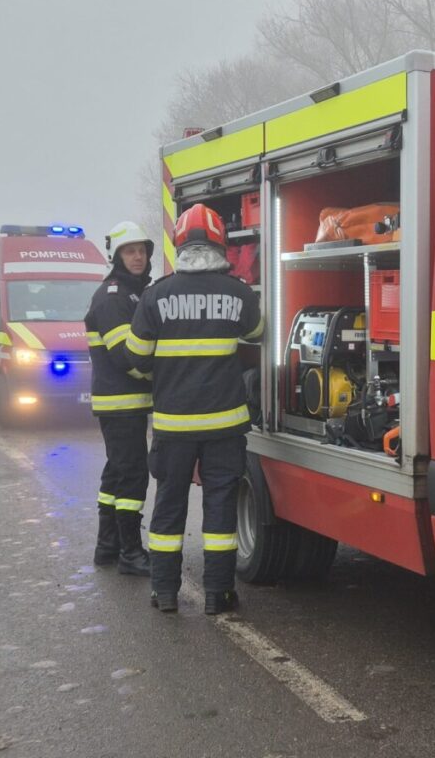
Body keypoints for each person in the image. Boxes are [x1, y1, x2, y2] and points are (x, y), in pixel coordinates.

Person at [126, 203, 262, 615]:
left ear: (179, 244)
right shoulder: (238, 292)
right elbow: (258, 333)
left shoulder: (155, 295)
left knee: (169, 505)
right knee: (220, 507)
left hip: (173, 426)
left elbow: (136, 357)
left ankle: (165, 592)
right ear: (221, 243)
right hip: (225, 426)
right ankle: (218, 594)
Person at [83, 222, 154, 576]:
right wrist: (165, 378)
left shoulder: (130, 292)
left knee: (116, 473)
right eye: (130, 251)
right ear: (117, 257)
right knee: (132, 475)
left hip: (123, 403)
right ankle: (130, 552)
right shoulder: (114, 296)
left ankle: (107, 546)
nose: (137, 257)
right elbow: (126, 357)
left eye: (141, 250)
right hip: (122, 403)